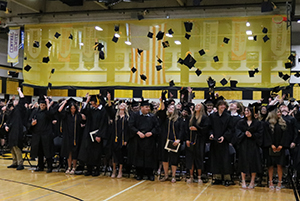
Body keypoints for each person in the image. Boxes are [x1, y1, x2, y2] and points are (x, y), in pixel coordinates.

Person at [128, 99, 159, 181]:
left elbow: (157, 127)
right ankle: (139, 174)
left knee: (150, 157)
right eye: (146, 107)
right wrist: (138, 132)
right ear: (141, 107)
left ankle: (150, 174)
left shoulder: (152, 116)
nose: (148, 109)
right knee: (139, 157)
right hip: (138, 139)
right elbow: (131, 125)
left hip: (149, 140)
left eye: (148, 107)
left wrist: (151, 133)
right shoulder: (135, 115)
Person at [78, 94, 108, 177]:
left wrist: (99, 135)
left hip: (97, 135)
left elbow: (103, 124)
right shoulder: (91, 110)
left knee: (96, 153)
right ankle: (89, 169)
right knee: (88, 152)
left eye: (93, 103)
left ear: (98, 103)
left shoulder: (103, 111)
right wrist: (87, 101)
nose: (92, 105)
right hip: (89, 134)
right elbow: (83, 111)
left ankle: (97, 169)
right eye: (91, 104)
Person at [235, 106, 263, 189]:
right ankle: (243, 180)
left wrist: (252, 135)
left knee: (253, 162)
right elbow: (237, 132)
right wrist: (244, 134)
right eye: (245, 110)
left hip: (253, 145)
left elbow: (260, 134)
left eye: (248, 110)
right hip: (243, 144)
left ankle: (252, 181)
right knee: (243, 162)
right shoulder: (240, 122)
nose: (246, 112)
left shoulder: (258, 123)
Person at [156, 98, 183, 183]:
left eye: (172, 108)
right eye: (169, 108)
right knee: (165, 158)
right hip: (164, 141)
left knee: (174, 159)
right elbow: (161, 112)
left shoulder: (179, 119)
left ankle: (174, 176)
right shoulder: (165, 119)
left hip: (174, 142)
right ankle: (166, 175)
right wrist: (161, 101)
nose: (170, 109)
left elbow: (182, 130)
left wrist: (179, 139)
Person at [209, 100, 234, 186]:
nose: (222, 107)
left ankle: (227, 178)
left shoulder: (228, 116)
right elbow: (210, 127)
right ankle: (217, 178)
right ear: (218, 106)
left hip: (224, 142)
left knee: (225, 160)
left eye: (224, 105)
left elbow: (230, 129)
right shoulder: (213, 116)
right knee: (215, 159)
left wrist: (224, 137)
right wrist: (211, 134)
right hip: (215, 142)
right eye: (221, 105)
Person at [265, 105, 290, 190]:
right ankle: (270, 182)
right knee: (270, 165)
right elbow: (267, 136)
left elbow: (286, 136)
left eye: (280, 112)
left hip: (280, 147)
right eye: (278, 112)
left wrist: (281, 145)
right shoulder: (268, 124)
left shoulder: (283, 123)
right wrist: (271, 144)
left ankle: (279, 182)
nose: (280, 113)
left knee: (280, 165)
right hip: (270, 147)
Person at [58, 99, 86, 174]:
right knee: (68, 152)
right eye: (71, 108)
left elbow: (84, 120)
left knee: (75, 153)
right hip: (68, 136)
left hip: (76, 136)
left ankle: (74, 167)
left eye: (74, 108)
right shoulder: (66, 115)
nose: (72, 110)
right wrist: (64, 103)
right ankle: (69, 167)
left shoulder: (78, 115)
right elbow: (59, 111)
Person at [105, 93, 129, 178]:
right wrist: (109, 99)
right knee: (114, 155)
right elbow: (109, 109)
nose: (122, 105)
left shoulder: (128, 117)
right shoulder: (115, 115)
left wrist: (126, 140)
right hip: (114, 138)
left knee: (121, 155)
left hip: (123, 138)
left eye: (123, 104)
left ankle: (120, 171)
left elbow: (128, 130)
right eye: (120, 104)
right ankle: (114, 170)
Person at [28, 96, 55, 173]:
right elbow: (29, 120)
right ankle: (40, 166)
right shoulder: (35, 111)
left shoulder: (47, 112)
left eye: (44, 105)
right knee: (39, 152)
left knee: (47, 151)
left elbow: (51, 114)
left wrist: (48, 103)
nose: (42, 106)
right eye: (41, 105)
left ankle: (50, 167)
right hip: (37, 134)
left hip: (46, 135)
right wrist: (32, 124)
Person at [185, 103, 210, 184]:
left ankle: (199, 177)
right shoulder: (190, 117)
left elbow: (205, 130)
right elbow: (186, 130)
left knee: (199, 159)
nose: (196, 106)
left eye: (198, 105)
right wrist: (187, 140)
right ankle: (191, 176)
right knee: (190, 159)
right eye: (196, 105)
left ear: (202, 108)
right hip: (190, 140)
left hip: (200, 141)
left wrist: (197, 129)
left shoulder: (204, 118)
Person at [5, 87, 26, 170]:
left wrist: (19, 91)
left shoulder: (20, 108)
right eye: (14, 101)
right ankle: (14, 162)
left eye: (16, 101)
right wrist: (6, 126)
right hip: (11, 130)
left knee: (17, 146)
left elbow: (22, 98)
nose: (15, 102)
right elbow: (8, 120)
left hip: (18, 130)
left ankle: (20, 163)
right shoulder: (12, 111)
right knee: (12, 146)